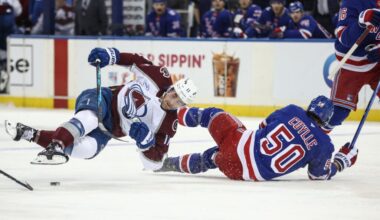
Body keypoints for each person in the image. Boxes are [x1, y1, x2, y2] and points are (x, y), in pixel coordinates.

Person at [5, 48, 198, 171]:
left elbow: (155, 163)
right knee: (89, 119)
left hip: (111, 128)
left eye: (180, 102)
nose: (174, 102)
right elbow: (134, 60)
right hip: (104, 98)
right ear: (172, 88)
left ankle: (28, 133)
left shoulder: (168, 124)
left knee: (87, 150)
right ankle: (56, 146)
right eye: (175, 95)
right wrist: (111, 55)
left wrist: (146, 144)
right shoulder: (159, 76)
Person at [155, 96, 359, 181]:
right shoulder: (324, 145)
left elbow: (263, 126)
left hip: (239, 143)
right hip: (240, 173)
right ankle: (170, 164)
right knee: (215, 157)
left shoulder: (293, 111)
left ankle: (170, 114)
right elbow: (318, 176)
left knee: (211, 115)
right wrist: (341, 162)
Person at [326, 0, 380, 132]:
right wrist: (361, 22)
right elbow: (344, 37)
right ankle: (313, 144)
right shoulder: (353, 2)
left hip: (376, 63)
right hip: (351, 64)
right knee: (338, 113)